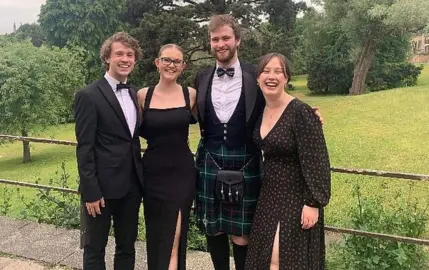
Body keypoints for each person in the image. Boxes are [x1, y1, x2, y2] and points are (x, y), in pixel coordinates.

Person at [245, 53, 331, 269]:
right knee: (264, 259)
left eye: (278, 71)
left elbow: (317, 161)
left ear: (287, 78)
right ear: (257, 77)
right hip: (269, 194)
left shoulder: (300, 112)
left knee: (283, 260)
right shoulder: (260, 109)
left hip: (297, 196)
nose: (271, 76)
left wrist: (313, 203)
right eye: (266, 71)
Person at [193, 14, 265, 270]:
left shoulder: (255, 75)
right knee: (213, 231)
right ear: (210, 43)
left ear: (238, 40)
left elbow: (279, 102)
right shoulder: (201, 77)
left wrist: (307, 113)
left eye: (226, 38)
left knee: (241, 235)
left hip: (246, 160)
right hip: (209, 160)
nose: (220, 43)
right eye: (215, 39)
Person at [74, 32, 143, 270]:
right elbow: (85, 148)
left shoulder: (135, 94)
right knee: (95, 249)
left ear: (135, 60)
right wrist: (91, 192)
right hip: (100, 191)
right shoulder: (88, 95)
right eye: (119, 54)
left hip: (132, 187)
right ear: (107, 58)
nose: (125, 59)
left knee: (127, 247)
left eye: (130, 55)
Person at [137, 44, 197, 270]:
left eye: (176, 61)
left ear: (183, 66)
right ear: (157, 63)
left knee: (175, 235)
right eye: (166, 60)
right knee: (156, 234)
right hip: (153, 174)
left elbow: (217, 120)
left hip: (182, 173)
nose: (171, 65)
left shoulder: (190, 94)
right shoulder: (144, 95)